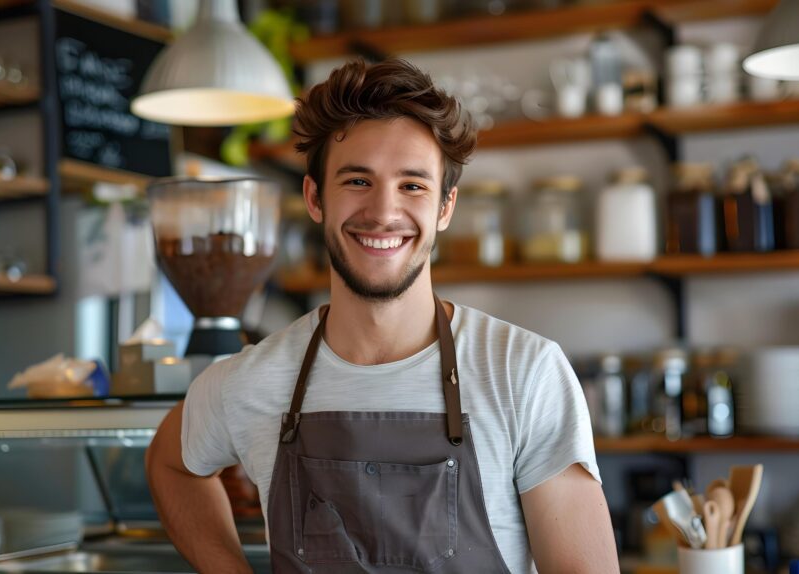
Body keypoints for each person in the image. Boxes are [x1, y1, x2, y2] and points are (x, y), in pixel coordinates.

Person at [146, 58, 618, 573]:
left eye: (412, 185)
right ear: (314, 197)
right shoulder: (252, 380)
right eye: (357, 181)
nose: (383, 212)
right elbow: (170, 464)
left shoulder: (523, 371)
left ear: (445, 207)